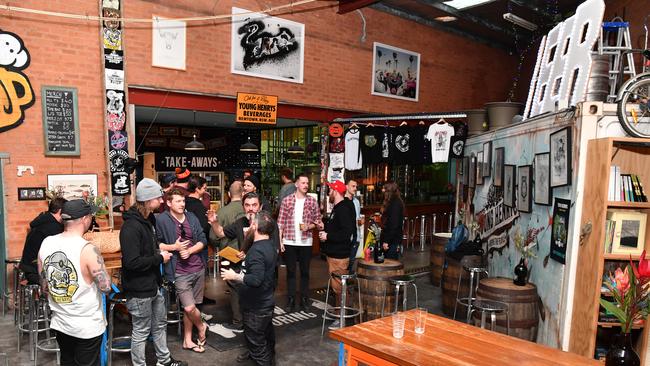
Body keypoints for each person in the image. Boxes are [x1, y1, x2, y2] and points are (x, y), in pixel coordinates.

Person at [120, 179, 186, 366]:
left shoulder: (148, 220)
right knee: (141, 331)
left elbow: (148, 250)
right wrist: (159, 258)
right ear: (148, 200)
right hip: (139, 288)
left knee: (159, 325)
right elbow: (132, 262)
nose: (162, 201)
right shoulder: (131, 227)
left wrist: (158, 252)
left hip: (153, 285)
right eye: (159, 197)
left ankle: (164, 361)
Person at [38, 199, 110, 365]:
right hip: (86, 326)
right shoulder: (88, 249)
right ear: (85, 218)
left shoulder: (47, 242)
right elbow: (105, 287)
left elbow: (44, 286)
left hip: (61, 322)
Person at [221, 210, 278, 366]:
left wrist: (235, 276)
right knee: (267, 342)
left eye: (252, 223)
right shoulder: (269, 245)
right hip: (265, 303)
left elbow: (256, 280)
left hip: (256, 308)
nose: (249, 226)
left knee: (258, 348)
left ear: (256, 226)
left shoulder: (257, 251)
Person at [157, 188, 208, 353]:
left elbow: (202, 240)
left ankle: (187, 340)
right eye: (177, 201)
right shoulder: (162, 220)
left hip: (197, 267)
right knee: (188, 307)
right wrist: (175, 247)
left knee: (191, 306)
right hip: (178, 271)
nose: (181, 204)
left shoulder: (191, 217)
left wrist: (190, 251)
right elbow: (157, 244)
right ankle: (201, 327)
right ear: (169, 203)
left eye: (183, 201)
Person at [277, 173, 321, 311]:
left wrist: (309, 226)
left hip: (306, 241)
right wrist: (280, 242)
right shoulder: (287, 201)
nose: (306, 185)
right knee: (290, 272)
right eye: (303, 183)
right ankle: (290, 300)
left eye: (307, 183)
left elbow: (318, 221)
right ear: (296, 184)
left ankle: (304, 299)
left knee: (305, 272)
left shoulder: (312, 201)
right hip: (289, 241)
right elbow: (280, 224)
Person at [317, 180, 356, 330]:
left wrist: (328, 236)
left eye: (330, 190)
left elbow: (346, 233)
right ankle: (338, 312)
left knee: (339, 289)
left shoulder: (343, 209)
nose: (328, 193)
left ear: (336, 191)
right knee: (337, 287)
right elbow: (337, 227)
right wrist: (324, 227)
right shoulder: (339, 207)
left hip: (339, 255)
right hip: (334, 254)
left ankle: (341, 318)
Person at [209, 180, 245, 332]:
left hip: (229, 254)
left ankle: (238, 321)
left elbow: (213, 237)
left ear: (229, 194)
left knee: (234, 288)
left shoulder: (222, 212)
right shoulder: (249, 208)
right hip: (248, 253)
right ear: (243, 194)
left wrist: (220, 245)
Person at [19, 197, 67, 285]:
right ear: (60, 211)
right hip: (37, 272)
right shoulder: (53, 227)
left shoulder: (43, 221)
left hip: (29, 268)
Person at [380, 182, 405, 260]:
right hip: (392, 239)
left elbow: (393, 225)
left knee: (390, 264)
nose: (382, 190)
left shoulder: (395, 203)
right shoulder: (392, 201)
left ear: (389, 190)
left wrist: (387, 241)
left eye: (384, 188)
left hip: (392, 240)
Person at [345, 179, 364, 273]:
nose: (355, 188)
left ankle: (347, 281)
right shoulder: (342, 201)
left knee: (352, 260)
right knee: (345, 261)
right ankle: (342, 283)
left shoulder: (356, 201)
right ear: (346, 187)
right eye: (353, 186)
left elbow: (357, 217)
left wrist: (360, 220)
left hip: (356, 235)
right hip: (346, 236)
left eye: (356, 186)